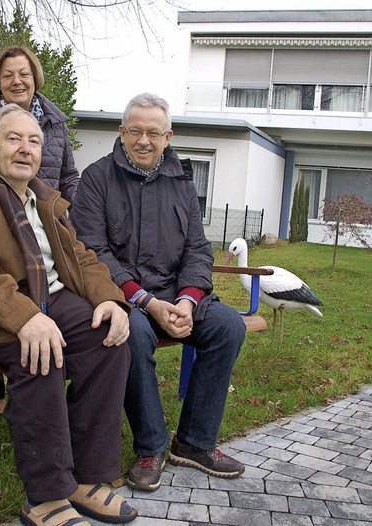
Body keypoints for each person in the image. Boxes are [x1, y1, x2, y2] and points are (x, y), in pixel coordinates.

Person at [0, 104, 136, 526]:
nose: (26, 149)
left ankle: (87, 478)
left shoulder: (45, 200)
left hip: (47, 301)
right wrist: (24, 318)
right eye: (13, 139)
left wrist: (110, 299)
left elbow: (83, 258)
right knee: (38, 352)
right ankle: (46, 495)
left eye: (34, 141)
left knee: (107, 339)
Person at [71, 93, 247, 492]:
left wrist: (187, 300)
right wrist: (145, 301)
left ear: (168, 136)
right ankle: (151, 447)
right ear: (122, 132)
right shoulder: (97, 178)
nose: (144, 140)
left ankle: (194, 441)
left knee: (227, 326)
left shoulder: (182, 184)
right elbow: (92, 251)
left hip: (175, 292)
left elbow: (198, 250)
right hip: (122, 295)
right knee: (130, 334)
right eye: (135, 131)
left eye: (153, 132)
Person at [0, 45, 80, 415]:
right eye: (9, 74)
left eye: (24, 73)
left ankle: (41, 392)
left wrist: (69, 210)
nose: (18, 80)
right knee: (6, 283)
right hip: (1, 220)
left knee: (53, 287)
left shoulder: (55, 123)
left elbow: (68, 175)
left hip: (45, 218)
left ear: (36, 79)